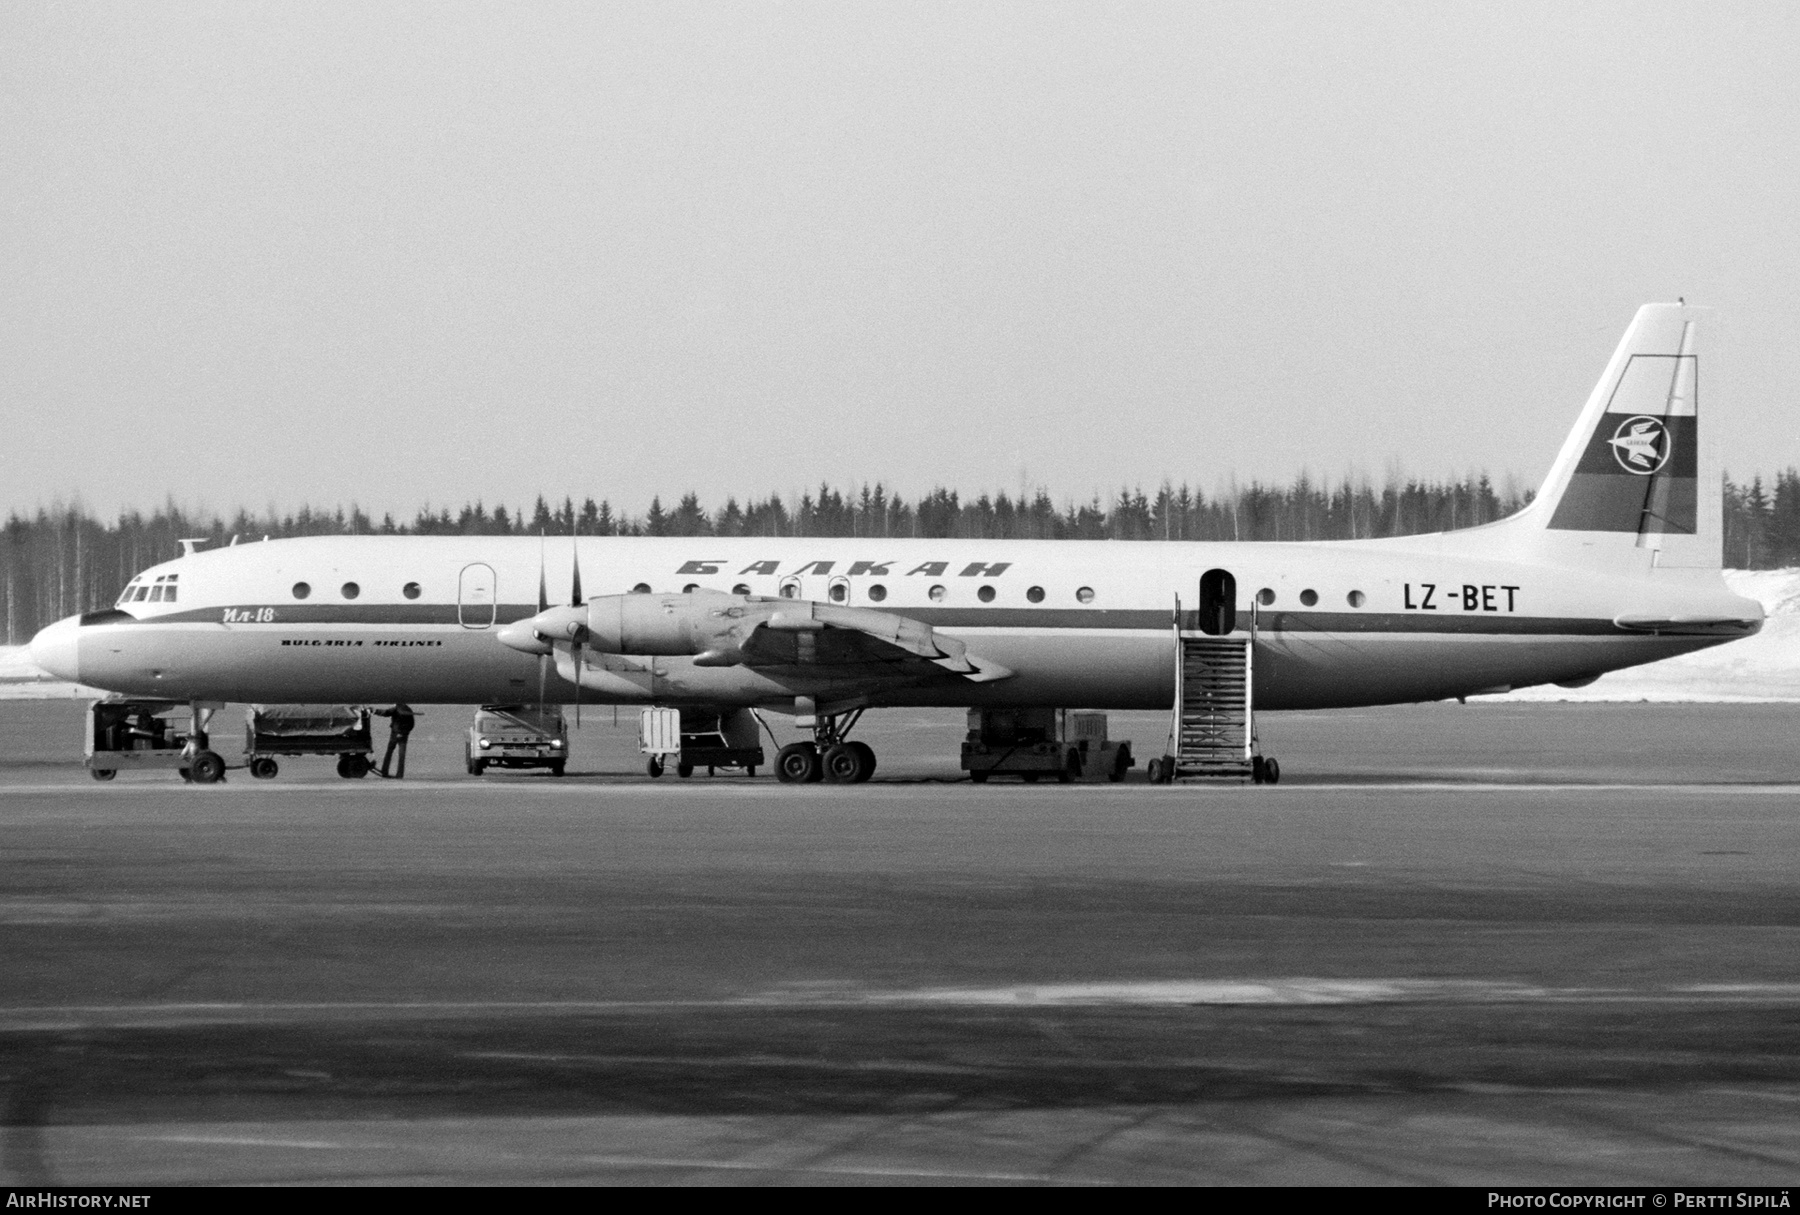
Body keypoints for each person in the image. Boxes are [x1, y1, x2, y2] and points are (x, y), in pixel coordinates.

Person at [374, 704, 416, 778]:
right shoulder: (407, 711)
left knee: (390, 752)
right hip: (401, 735)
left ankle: (385, 771)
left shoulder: (396, 709)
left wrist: (375, 711)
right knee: (400, 755)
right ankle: (398, 774)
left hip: (396, 734)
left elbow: (386, 712)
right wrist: (404, 733)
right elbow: (411, 725)